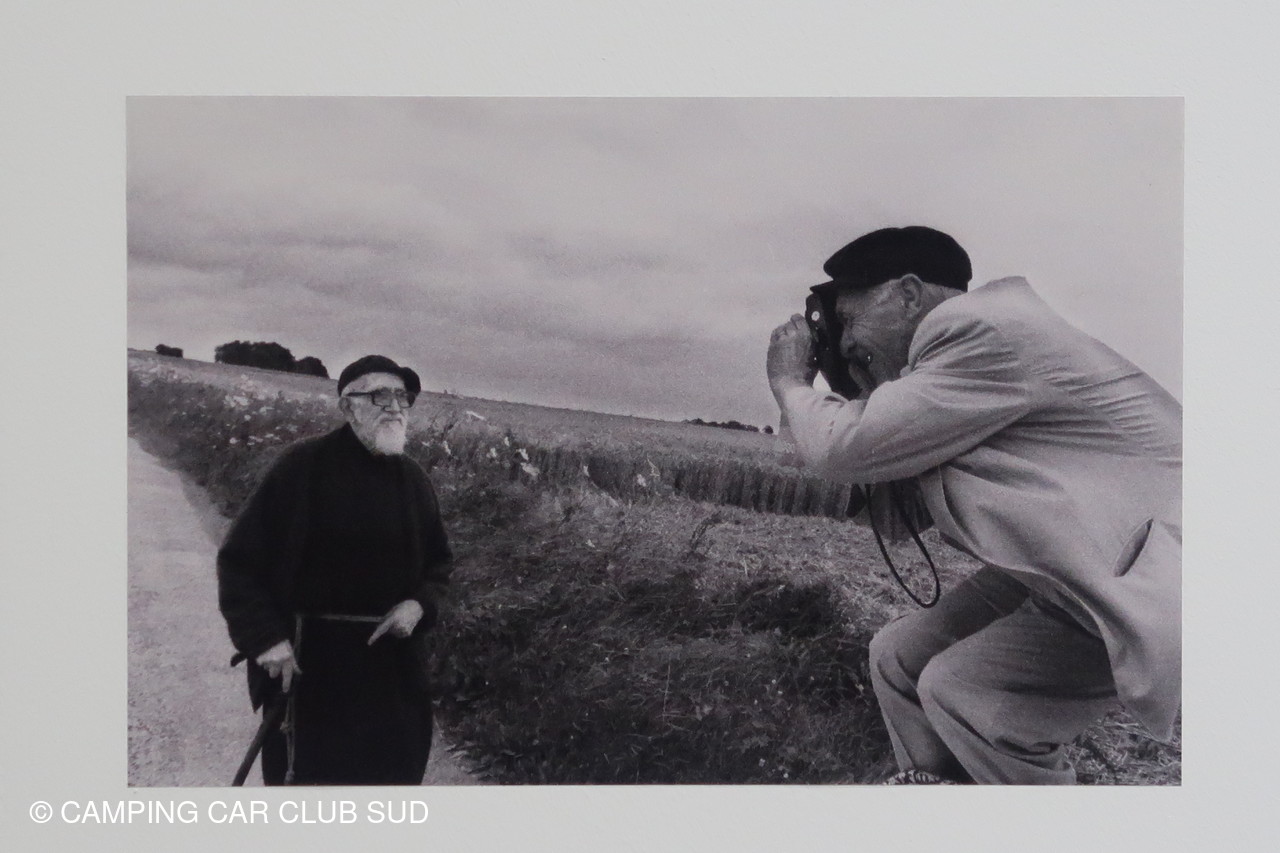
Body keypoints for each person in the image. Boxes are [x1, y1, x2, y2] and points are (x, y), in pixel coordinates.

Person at [766, 226, 1181, 785]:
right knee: (898, 657)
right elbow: (897, 516)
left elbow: (844, 448)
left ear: (909, 295)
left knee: (967, 695)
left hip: (1152, 571)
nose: (842, 342)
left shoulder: (979, 331)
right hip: (1077, 562)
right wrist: (864, 379)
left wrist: (790, 382)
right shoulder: (951, 369)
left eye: (850, 319)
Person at [217, 354, 453, 785]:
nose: (395, 407)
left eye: (402, 396)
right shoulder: (302, 466)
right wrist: (265, 639)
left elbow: (440, 564)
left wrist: (419, 605)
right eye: (380, 396)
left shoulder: (415, 480)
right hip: (312, 671)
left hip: (393, 673)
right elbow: (239, 562)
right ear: (348, 406)